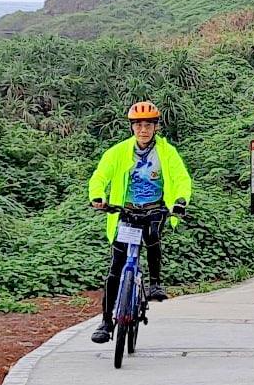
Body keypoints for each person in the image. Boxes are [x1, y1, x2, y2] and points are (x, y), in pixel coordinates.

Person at [88, 101, 193, 344]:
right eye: (138, 125)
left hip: (155, 209)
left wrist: (180, 201)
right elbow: (99, 176)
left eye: (148, 125)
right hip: (126, 212)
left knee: (153, 235)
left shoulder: (167, 152)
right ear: (132, 127)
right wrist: (98, 197)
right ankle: (106, 322)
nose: (143, 130)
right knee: (116, 268)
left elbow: (181, 178)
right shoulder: (118, 152)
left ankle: (155, 283)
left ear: (156, 127)